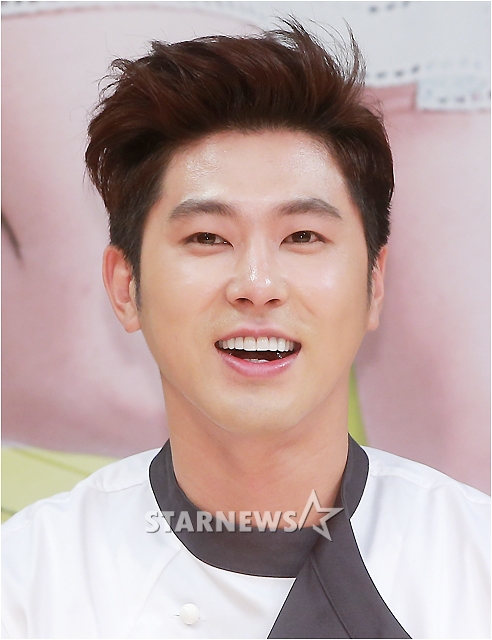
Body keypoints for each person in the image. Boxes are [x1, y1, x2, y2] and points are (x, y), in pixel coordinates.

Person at [2, 22, 489, 640]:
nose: (257, 284)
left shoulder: (474, 563)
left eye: (303, 236)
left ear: (374, 283)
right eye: (208, 237)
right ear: (125, 287)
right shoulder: (30, 582)